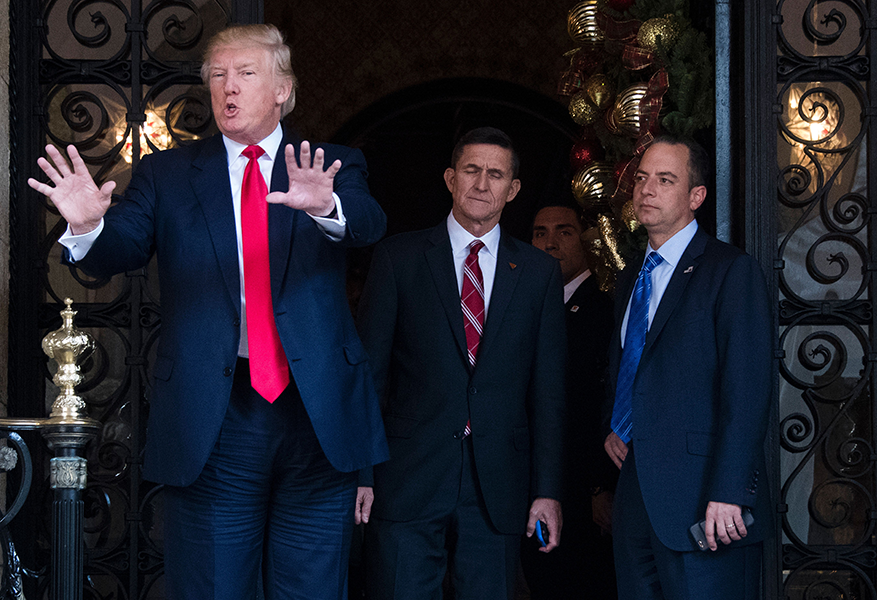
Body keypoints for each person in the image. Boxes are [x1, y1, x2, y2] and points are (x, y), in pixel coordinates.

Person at [28, 24, 388, 600]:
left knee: (313, 589)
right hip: (214, 416)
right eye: (218, 75)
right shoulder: (166, 174)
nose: (228, 88)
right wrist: (87, 225)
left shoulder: (329, 164)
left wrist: (329, 206)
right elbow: (118, 250)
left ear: (282, 91)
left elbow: (370, 225)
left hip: (317, 413)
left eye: (246, 74)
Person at [355, 127, 566, 600]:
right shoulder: (399, 258)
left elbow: (548, 392)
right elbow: (370, 377)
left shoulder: (538, 274)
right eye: (471, 170)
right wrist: (361, 473)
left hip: (498, 487)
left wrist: (547, 490)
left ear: (512, 190)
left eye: (496, 174)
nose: (482, 183)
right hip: (407, 478)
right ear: (450, 178)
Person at [603, 136, 773, 599]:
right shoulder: (631, 274)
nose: (646, 189)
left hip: (707, 502)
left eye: (665, 179)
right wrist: (614, 424)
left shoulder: (730, 270)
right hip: (638, 496)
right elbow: (631, 364)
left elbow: (748, 390)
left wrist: (730, 491)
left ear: (696, 196)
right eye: (641, 178)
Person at [522, 203, 618, 599]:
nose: (550, 243)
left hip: (586, 490)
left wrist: (601, 486)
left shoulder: (606, 308)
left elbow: (603, 400)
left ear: (586, 239)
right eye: (540, 233)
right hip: (531, 483)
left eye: (564, 231)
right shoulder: (521, 306)